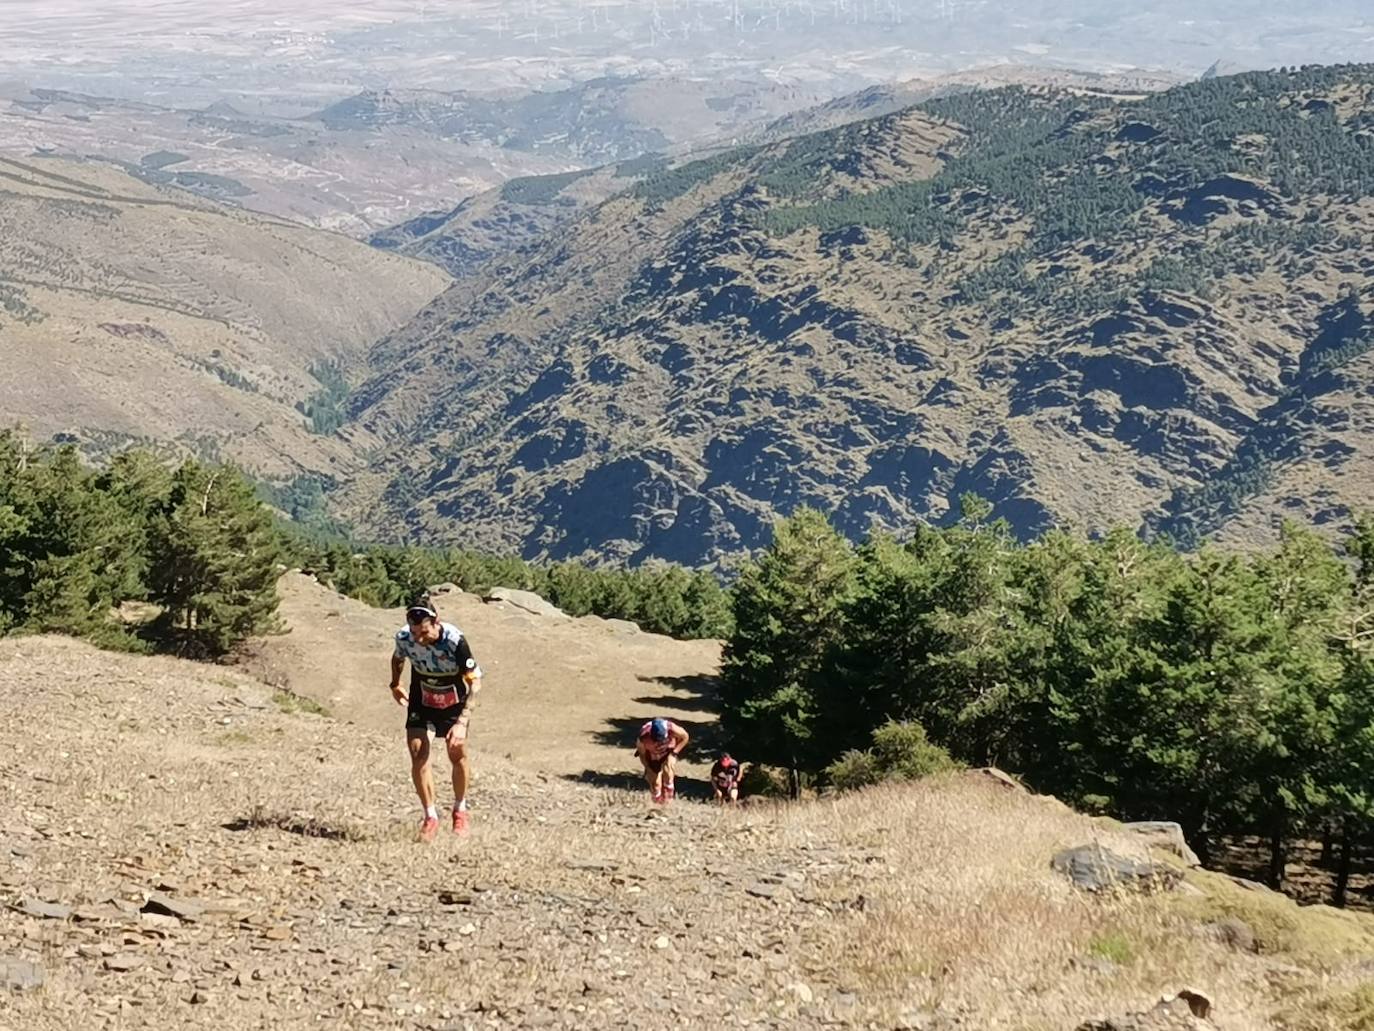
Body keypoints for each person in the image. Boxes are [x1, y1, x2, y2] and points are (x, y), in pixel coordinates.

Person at [388, 598, 483, 842]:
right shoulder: (404, 637)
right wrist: (395, 683)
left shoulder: (454, 641)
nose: (419, 638)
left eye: (425, 632)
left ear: (436, 622)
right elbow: (398, 658)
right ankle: (430, 816)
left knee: (457, 752)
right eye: (415, 632)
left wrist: (462, 722)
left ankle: (460, 809)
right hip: (422, 698)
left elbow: (475, 682)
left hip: (453, 702)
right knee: (418, 752)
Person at [635, 717, 689, 804]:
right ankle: (657, 803)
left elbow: (685, 737)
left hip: (667, 753)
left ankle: (668, 801)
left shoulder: (673, 728)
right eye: (655, 740)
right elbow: (642, 754)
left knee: (668, 771)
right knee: (655, 783)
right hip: (652, 757)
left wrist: (674, 754)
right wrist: (648, 767)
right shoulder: (643, 737)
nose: (658, 742)